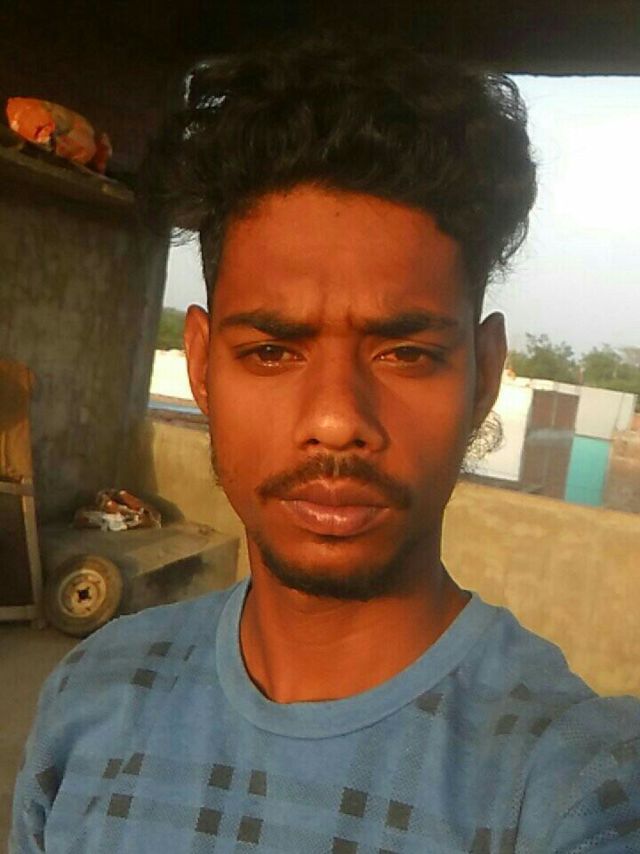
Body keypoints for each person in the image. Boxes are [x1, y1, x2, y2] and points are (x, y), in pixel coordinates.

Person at [12, 36, 640, 853]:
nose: (338, 419)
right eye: (272, 351)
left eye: (405, 352)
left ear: (484, 374)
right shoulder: (90, 699)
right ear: (200, 365)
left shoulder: (573, 784)